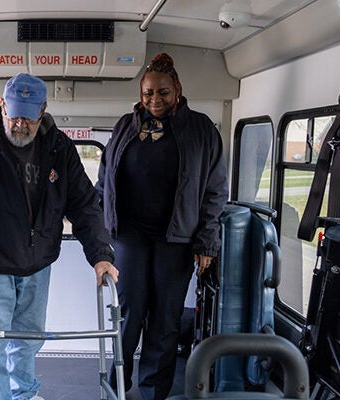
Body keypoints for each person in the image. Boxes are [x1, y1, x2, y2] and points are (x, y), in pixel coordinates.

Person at [0, 72, 119, 400]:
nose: (20, 124)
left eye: (29, 117)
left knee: (28, 340)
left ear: (43, 111)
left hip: (36, 266)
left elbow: (84, 204)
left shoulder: (58, 148)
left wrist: (101, 255)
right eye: (14, 114)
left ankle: (24, 394)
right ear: (1, 105)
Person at [96, 53, 229, 400]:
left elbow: (215, 191)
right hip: (129, 235)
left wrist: (206, 243)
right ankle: (118, 388)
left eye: (163, 93)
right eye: (148, 93)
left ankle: (155, 391)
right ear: (140, 93)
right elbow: (105, 177)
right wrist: (96, 224)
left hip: (178, 238)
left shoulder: (201, 129)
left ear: (178, 90)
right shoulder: (126, 125)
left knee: (165, 320)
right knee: (127, 314)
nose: (155, 100)